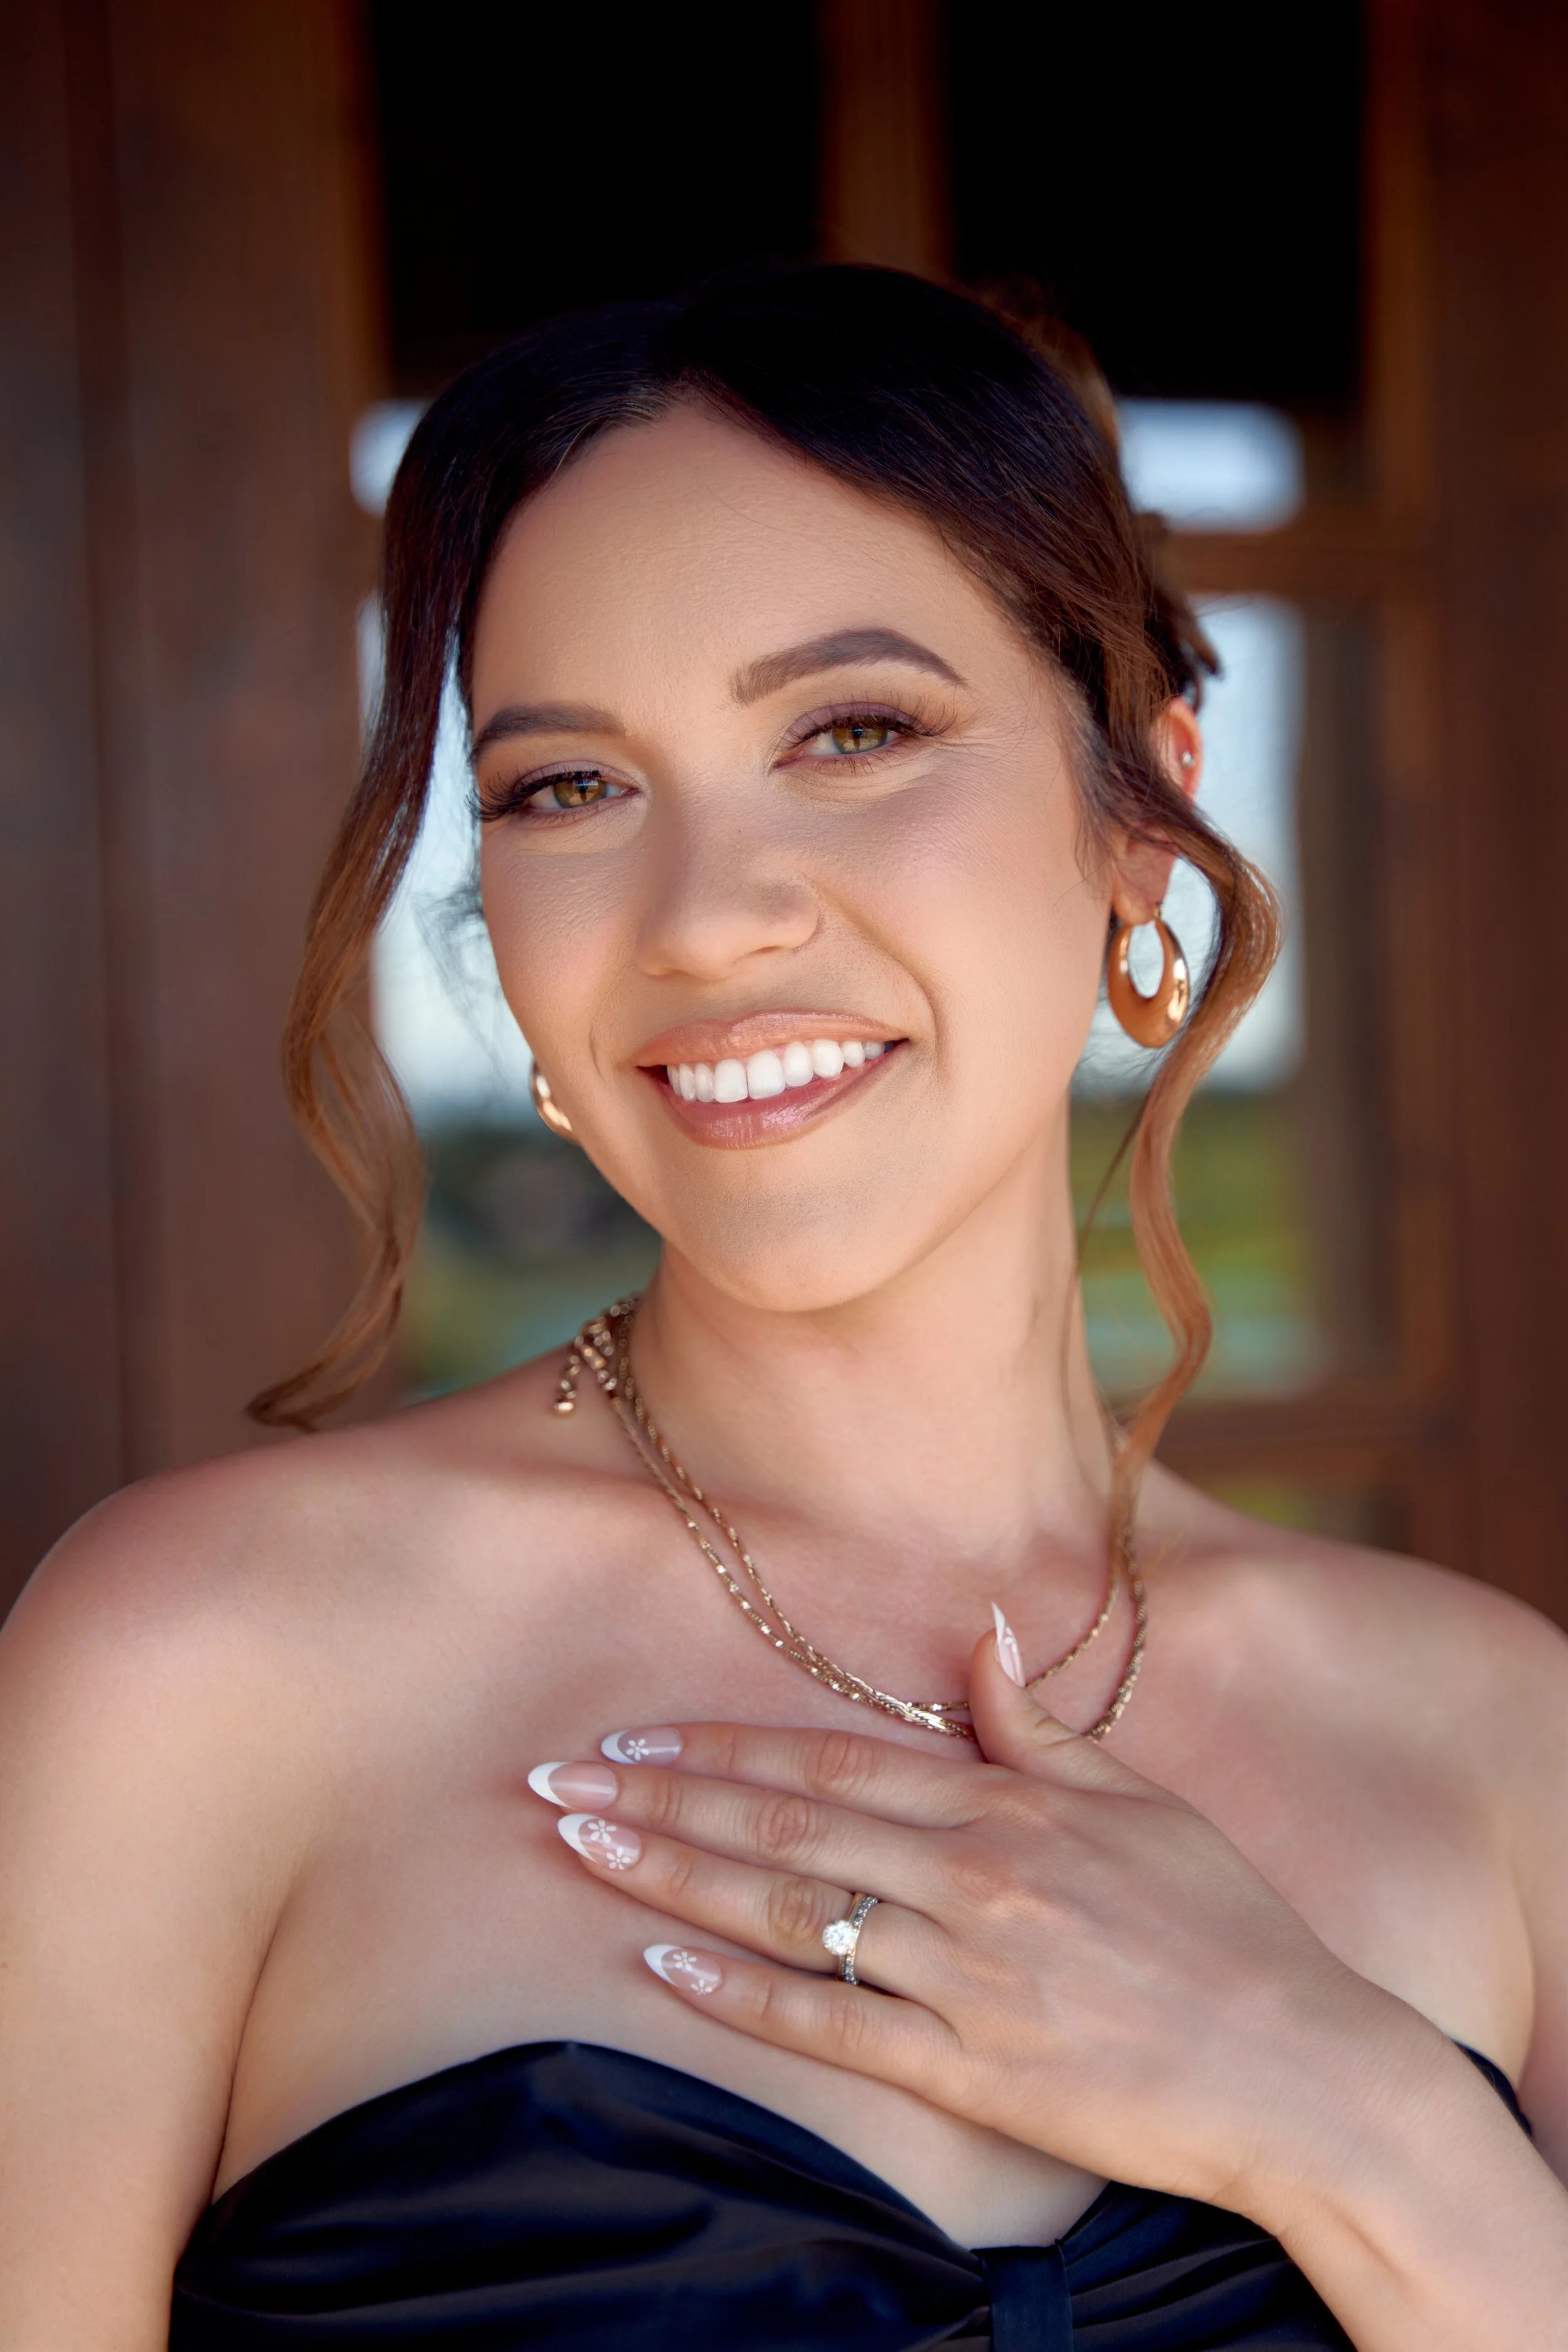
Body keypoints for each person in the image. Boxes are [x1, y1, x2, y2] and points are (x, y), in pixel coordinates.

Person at [1, 267, 1564, 2352]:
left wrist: (1362, 2115)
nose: (710, 917)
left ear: (1140, 817)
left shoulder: (1493, 1745)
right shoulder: (191, 1673)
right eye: (567, 786)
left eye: (854, 731)